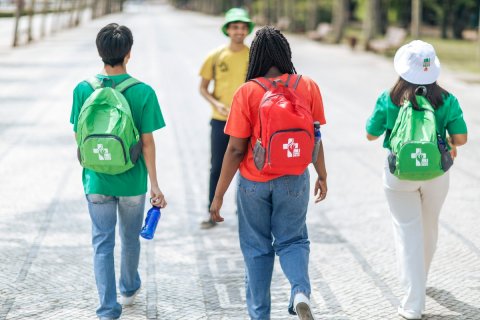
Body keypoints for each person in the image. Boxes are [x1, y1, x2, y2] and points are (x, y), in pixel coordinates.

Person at [209, 26, 328, 320]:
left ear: (256, 56)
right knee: (294, 240)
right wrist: (322, 175)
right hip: (295, 179)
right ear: (286, 53)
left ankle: (259, 315)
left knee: (256, 248)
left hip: (254, 183)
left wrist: (218, 194)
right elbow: (315, 137)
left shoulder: (247, 91)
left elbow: (235, 149)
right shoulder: (308, 86)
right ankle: (300, 290)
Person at [70, 23, 167, 320]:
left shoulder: (83, 88)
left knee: (102, 242)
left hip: (96, 179)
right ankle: (128, 287)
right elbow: (147, 144)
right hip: (132, 182)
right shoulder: (143, 92)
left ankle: (108, 309)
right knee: (129, 237)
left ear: (100, 53)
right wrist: (155, 186)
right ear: (129, 54)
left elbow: (79, 135)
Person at [365, 40, 467, 320]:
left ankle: (412, 305)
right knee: (429, 227)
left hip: (398, 173)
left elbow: (371, 134)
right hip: (436, 173)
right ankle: (419, 281)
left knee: (407, 231)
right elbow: (461, 139)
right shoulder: (447, 99)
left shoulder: (389, 97)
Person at [198, 7, 254, 229]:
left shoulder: (253, 55)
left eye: (242, 27)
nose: (238, 31)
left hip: (248, 120)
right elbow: (203, 88)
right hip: (220, 120)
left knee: (248, 167)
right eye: (234, 27)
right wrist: (217, 104)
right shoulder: (215, 56)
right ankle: (212, 212)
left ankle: (245, 213)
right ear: (228, 30)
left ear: (247, 30)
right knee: (217, 167)